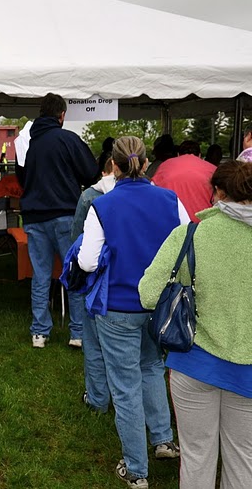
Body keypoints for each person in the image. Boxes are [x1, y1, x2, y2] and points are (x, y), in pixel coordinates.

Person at [77, 136, 187, 489]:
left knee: (125, 386)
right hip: (158, 304)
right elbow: (185, 244)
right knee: (152, 367)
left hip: (118, 305)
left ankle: (137, 469)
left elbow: (87, 261)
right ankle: (163, 440)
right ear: (145, 162)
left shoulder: (104, 206)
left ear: (114, 164)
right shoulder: (170, 199)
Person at [140, 160, 252, 489]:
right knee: (244, 460)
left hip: (193, 361)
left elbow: (148, 294)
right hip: (248, 370)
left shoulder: (191, 233)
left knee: (196, 457)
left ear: (216, 192)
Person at [20, 93, 97, 348]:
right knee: (74, 273)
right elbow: (91, 172)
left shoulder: (29, 145)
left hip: (34, 217)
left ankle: (39, 333)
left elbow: (22, 180)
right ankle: (77, 332)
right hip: (65, 215)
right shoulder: (67, 139)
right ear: (61, 115)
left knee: (41, 275)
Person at [70, 156, 116, 413]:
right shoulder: (157, 195)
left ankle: (99, 399)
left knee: (96, 344)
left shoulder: (91, 197)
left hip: (98, 278)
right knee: (142, 358)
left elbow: (79, 240)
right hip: (135, 284)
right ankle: (158, 429)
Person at [152, 140, 216, 223]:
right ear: (199, 155)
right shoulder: (213, 169)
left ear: (178, 154)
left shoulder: (165, 166)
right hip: (203, 224)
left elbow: (153, 191)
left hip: (171, 224)